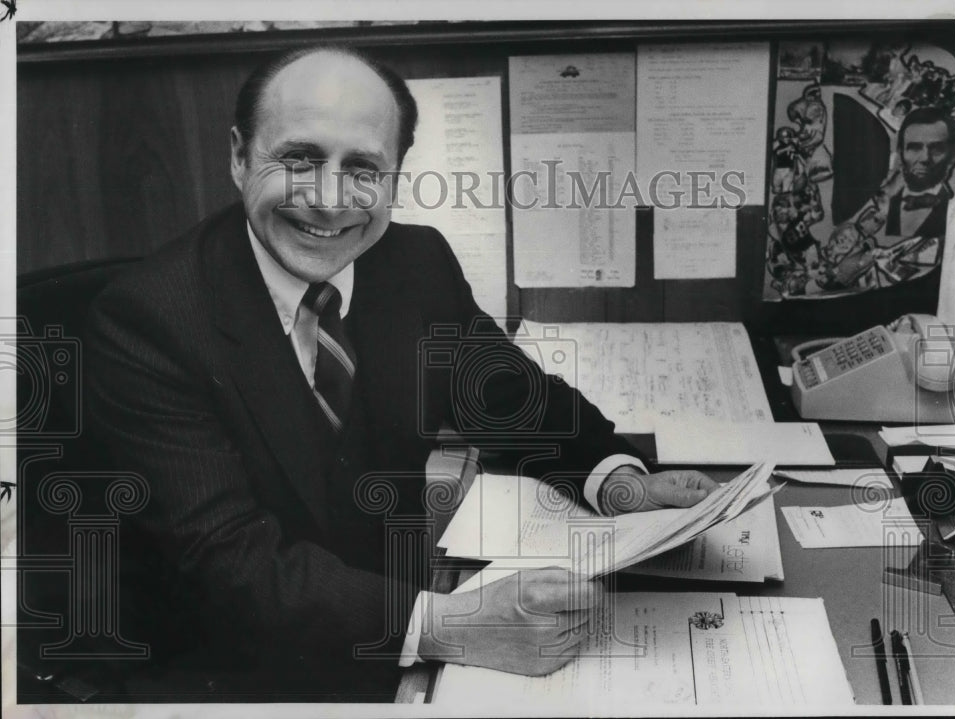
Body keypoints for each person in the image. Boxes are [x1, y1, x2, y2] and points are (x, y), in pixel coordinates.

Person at [84, 45, 719, 702]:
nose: (329, 201)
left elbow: (503, 393)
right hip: (236, 671)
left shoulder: (415, 263)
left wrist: (615, 479)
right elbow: (228, 561)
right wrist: (448, 624)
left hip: (405, 643)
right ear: (240, 156)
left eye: (363, 168)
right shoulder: (148, 321)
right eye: (299, 159)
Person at [881, 106, 955, 242]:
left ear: (951, 157)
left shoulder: (954, 215)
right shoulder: (885, 196)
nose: (924, 159)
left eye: (936, 149)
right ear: (900, 153)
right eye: (914, 148)